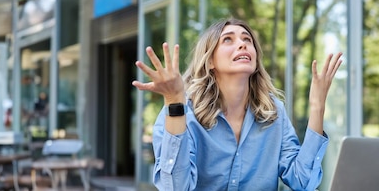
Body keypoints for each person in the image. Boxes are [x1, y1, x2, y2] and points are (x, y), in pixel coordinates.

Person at [132, 18, 342, 190]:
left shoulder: (274, 112)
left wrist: (317, 106)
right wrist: (174, 102)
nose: (242, 44)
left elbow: (303, 181)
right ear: (210, 61)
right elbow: (175, 187)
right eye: (228, 40)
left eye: (247, 39)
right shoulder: (183, 112)